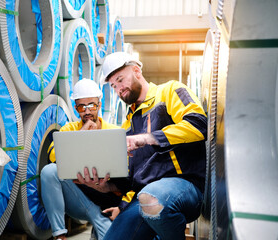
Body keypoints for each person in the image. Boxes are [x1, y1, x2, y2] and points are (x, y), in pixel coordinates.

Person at [76, 52, 207, 240]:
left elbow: (198, 124)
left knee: (152, 199)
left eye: (120, 80)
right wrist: (105, 187)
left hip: (184, 187)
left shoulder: (170, 91)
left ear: (136, 71)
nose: (118, 89)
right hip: (143, 197)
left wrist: (148, 138)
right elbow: (131, 180)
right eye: (113, 86)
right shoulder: (127, 126)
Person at [40, 78, 123, 240]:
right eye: (81, 106)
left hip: (107, 201)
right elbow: (52, 156)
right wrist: (81, 135)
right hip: (79, 199)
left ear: (99, 104)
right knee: (49, 171)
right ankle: (60, 236)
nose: (87, 111)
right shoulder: (69, 130)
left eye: (91, 105)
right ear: (75, 108)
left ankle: (100, 225)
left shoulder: (114, 132)